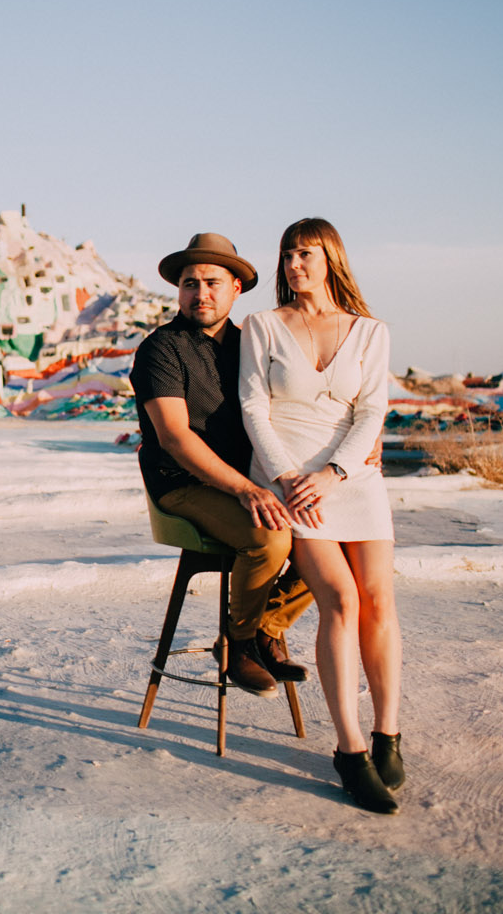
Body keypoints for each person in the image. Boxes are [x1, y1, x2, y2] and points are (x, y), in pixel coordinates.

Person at [239, 217, 402, 815]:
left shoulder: (369, 331)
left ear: (331, 257)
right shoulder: (263, 326)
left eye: (305, 254)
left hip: (351, 479)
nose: (293, 265)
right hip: (289, 484)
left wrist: (334, 472)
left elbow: (372, 410)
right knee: (340, 599)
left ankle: (388, 732)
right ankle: (351, 749)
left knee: (379, 600)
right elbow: (254, 406)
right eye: (287, 255)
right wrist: (287, 478)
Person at [130, 233, 313, 700]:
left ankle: (258, 629)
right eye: (190, 283)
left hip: (246, 479)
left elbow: (299, 405)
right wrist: (246, 491)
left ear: (236, 287)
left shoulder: (252, 343)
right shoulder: (161, 349)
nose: (200, 293)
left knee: (335, 535)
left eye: (212, 282)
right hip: (181, 484)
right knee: (271, 539)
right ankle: (242, 644)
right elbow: (174, 436)